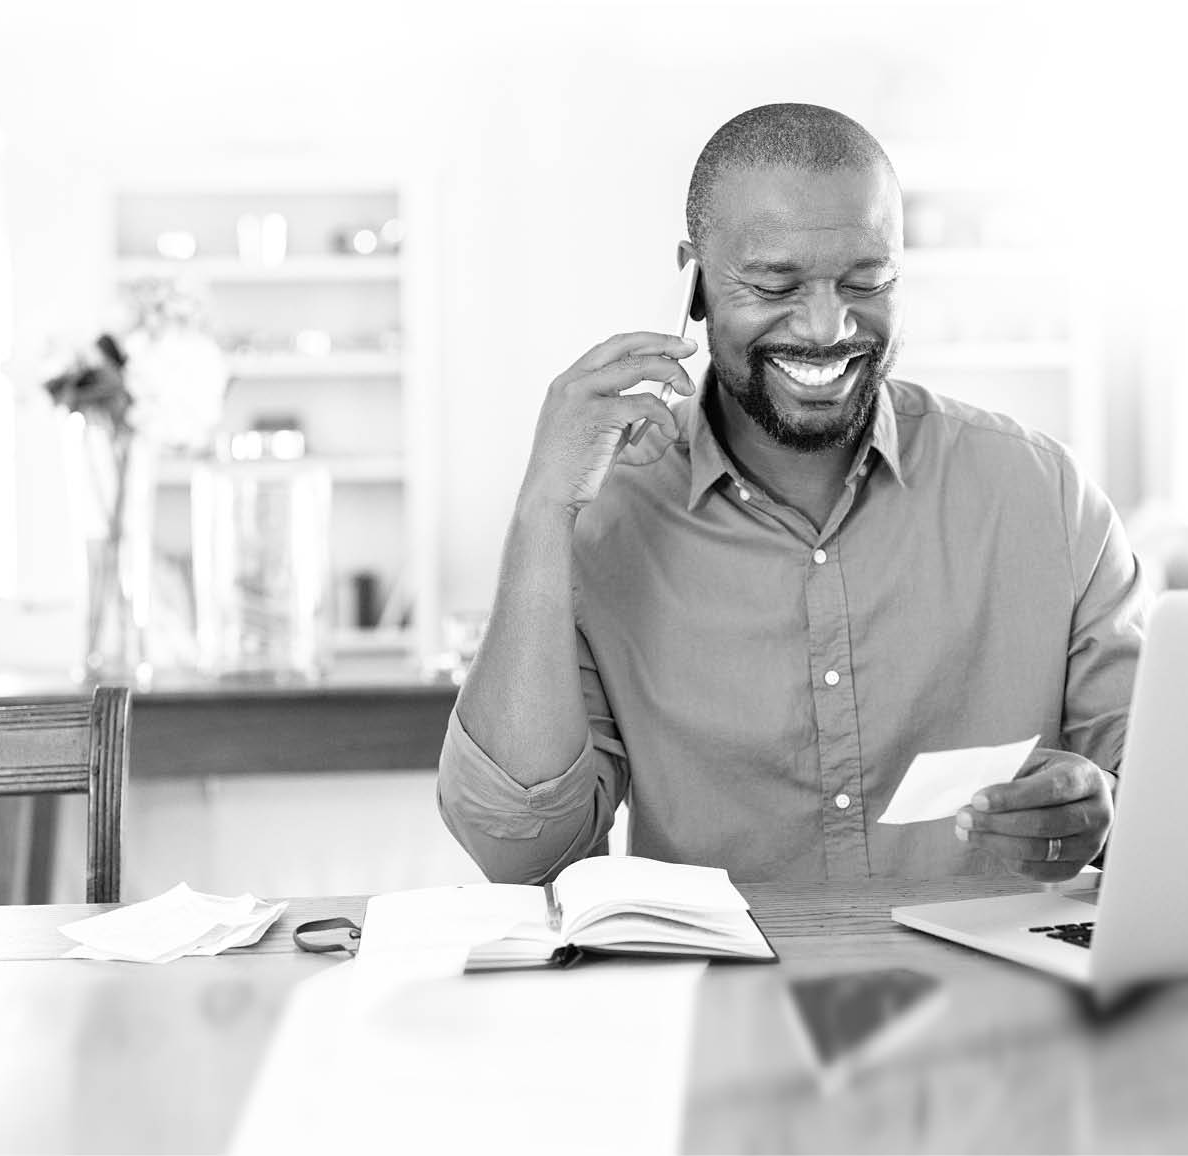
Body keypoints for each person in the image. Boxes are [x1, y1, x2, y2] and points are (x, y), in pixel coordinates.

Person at [437, 103, 1147, 885]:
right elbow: (521, 851)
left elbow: (1174, 800)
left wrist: (1102, 806)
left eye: (866, 281)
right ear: (695, 283)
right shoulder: (604, 515)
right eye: (774, 284)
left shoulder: (1044, 496)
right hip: (716, 996)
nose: (825, 326)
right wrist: (543, 510)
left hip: (994, 998)